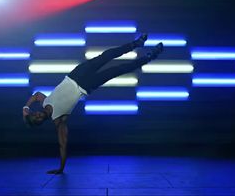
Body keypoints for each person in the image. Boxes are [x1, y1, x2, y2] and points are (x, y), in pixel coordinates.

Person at [22, 34, 163, 174]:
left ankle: (136, 44)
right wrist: (61, 168)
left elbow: (35, 96)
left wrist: (26, 108)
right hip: (86, 85)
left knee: (106, 56)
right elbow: (62, 145)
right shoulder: (59, 121)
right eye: (38, 119)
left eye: (35, 114)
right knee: (118, 70)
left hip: (75, 75)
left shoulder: (44, 100)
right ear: (41, 122)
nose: (38, 115)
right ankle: (149, 57)